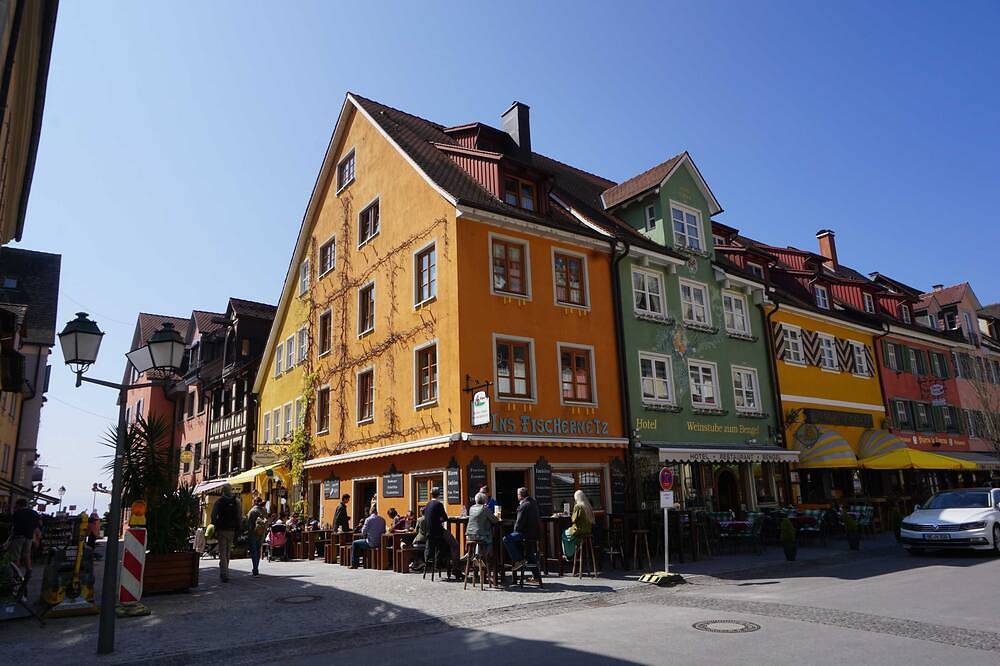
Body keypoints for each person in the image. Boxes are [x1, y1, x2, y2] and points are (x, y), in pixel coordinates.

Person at [503, 487, 540, 571]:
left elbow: (519, 523)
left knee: (506, 539)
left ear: (520, 496)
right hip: (535, 534)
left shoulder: (524, 505)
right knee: (529, 554)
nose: (517, 496)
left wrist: (514, 532)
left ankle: (519, 560)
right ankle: (536, 577)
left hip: (526, 533)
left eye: (518, 494)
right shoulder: (533, 502)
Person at [211, 484, 241, 582]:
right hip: (232, 530)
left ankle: (224, 573)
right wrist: (238, 528)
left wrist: (215, 525)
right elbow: (239, 516)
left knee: (222, 552)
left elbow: (213, 515)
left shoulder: (219, 502)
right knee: (228, 551)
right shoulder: (236, 502)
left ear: (223, 491)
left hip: (222, 529)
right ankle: (225, 570)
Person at [5, 498, 40, 575]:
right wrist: (36, 539)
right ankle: (29, 570)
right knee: (27, 554)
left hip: (18, 536)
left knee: (16, 556)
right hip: (29, 537)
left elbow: (13, 526)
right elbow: (36, 527)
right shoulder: (34, 513)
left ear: (18, 505)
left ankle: (15, 573)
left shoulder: (17, 513)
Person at [561, 490, 594, 559]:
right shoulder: (588, 506)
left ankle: (569, 555)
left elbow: (573, 520)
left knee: (564, 533)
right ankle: (576, 550)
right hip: (588, 530)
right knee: (575, 537)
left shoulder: (578, 506)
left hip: (579, 530)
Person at [466, 492, 499, 557]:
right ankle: (485, 557)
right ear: (485, 500)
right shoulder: (485, 508)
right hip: (480, 536)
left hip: (469, 535)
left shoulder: (471, 508)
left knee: (480, 536)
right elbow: (495, 520)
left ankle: (477, 555)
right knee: (489, 539)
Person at [422, 487, 448, 570]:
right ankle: (440, 563)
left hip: (428, 533)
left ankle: (430, 562)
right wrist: (439, 519)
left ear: (431, 494)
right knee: (450, 544)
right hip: (437, 532)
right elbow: (445, 518)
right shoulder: (439, 504)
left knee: (433, 546)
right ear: (439, 495)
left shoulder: (427, 504)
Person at [246, 497, 267, 576]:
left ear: (255, 502)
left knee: (254, 551)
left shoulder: (252, 511)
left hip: (253, 533)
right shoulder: (264, 510)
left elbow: (249, 523)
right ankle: (256, 567)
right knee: (258, 551)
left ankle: (255, 568)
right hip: (261, 533)